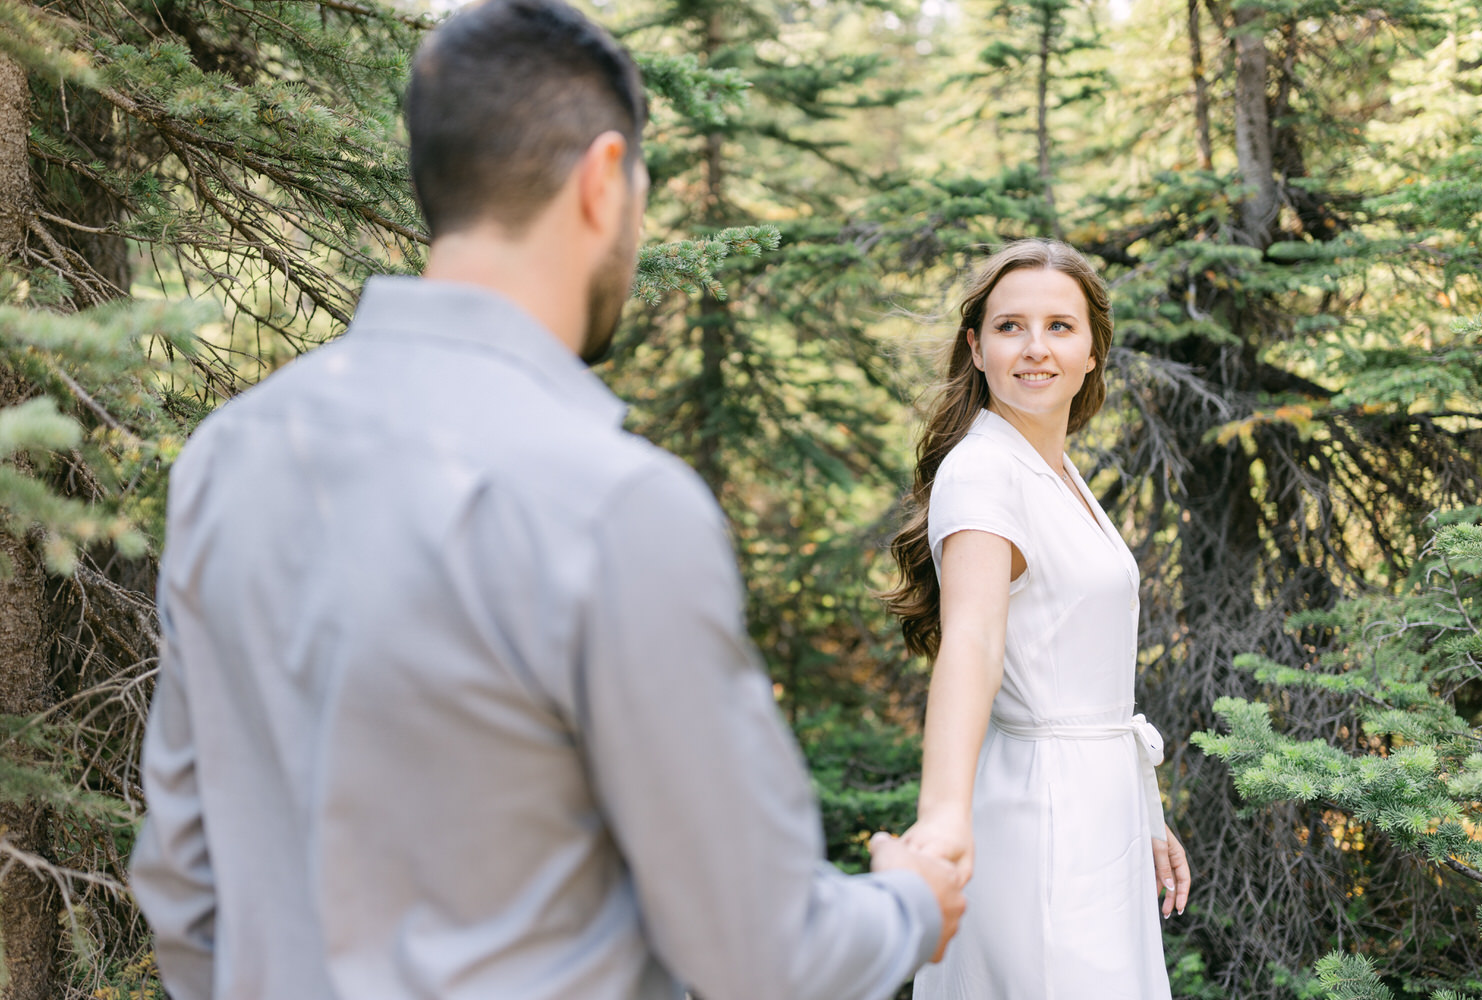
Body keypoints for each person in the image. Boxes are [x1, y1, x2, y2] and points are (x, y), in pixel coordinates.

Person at [128, 2, 965, 998]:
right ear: (603, 180)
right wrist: (910, 903)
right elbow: (763, 952)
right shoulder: (615, 505)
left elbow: (184, 887)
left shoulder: (230, 455)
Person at [884, 238, 1191, 998]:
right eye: (1010, 326)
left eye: (1060, 326)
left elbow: (1089, 672)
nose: (1035, 348)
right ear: (976, 347)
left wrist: (1144, 810)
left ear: (1092, 352)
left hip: (1099, 809)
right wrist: (944, 821)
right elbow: (974, 643)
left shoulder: (1055, 468)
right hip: (1041, 816)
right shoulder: (986, 468)